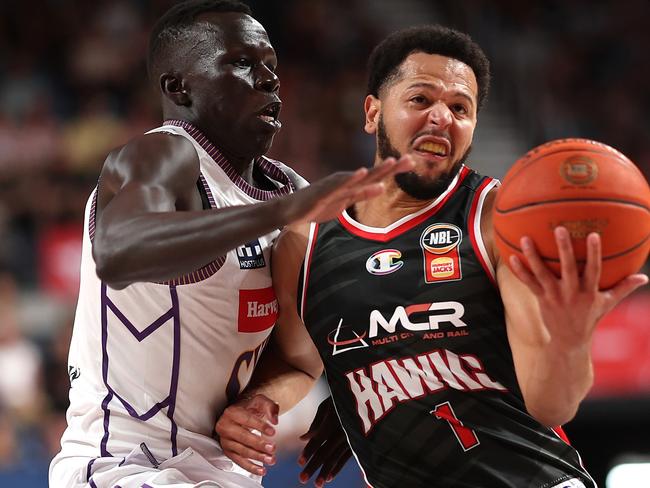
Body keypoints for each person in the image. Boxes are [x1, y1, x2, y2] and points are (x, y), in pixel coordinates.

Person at [215, 25, 649, 487]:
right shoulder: (307, 239)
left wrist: (569, 339)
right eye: (421, 100)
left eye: (460, 108)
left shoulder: (497, 219)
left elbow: (552, 406)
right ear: (372, 113)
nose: (442, 116)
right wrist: (261, 401)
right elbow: (300, 362)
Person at [48, 1, 414, 487]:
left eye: (272, 66)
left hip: (225, 474)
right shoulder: (161, 155)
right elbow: (119, 251)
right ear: (178, 87)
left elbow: (299, 355)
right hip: (125, 466)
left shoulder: (290, 193)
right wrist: (286, 213)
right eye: (242, 63)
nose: (268, 79)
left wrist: (335, 394)